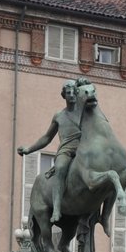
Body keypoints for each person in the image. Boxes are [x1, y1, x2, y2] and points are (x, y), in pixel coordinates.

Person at [17, 79, 85, 223]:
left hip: (83, 150)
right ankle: (57, 208)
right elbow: (47, 137)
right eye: (68, 92)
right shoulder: (59, 116)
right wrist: (29, 149)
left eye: (74, 92)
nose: (72, 95)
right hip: (66, 150)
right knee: (60, 168)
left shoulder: (84, 113)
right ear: (64, 95)